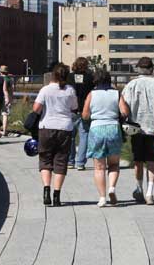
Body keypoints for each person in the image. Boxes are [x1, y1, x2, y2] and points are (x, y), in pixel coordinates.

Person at [119, 57, 154, 205]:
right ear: (151, 69)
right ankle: (150, 193)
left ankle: (139, 189)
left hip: (136, 129)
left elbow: (123, 106)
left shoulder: (131, 85)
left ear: (138, 69)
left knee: (138, 161)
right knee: (151, 161)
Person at [32, 63, 78, 207]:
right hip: (65, 128)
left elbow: (36, 108)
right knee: (61, 160)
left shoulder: (45, 90)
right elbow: (75, 107)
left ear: (53, 75)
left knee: (45, 159)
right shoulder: (70, 90)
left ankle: (46, 190)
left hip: (46, 126)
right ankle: (57, 195)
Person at [82, 69, 122, 207]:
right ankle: (112, 188)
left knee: (99, 167)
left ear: (95, 80)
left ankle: (102, 198)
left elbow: (85, 115)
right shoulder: (116, 93)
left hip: (96, 129)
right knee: (114, 164)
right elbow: (124, 111)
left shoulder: (91, 94)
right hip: (113, 128)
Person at [69, 57, 95, 170]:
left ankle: (70, 161)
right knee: (84, 135)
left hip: (71, 110)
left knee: (71, 137)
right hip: (85, 109)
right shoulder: (90, 78)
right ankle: (80, 163)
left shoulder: (69, 77)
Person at [0, 65, 15, 136]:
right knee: (5, 115)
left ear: (0, 71)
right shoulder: (9, 79)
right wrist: (11, 98)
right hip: (6, 98)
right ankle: (4, 131)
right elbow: (12, 90)